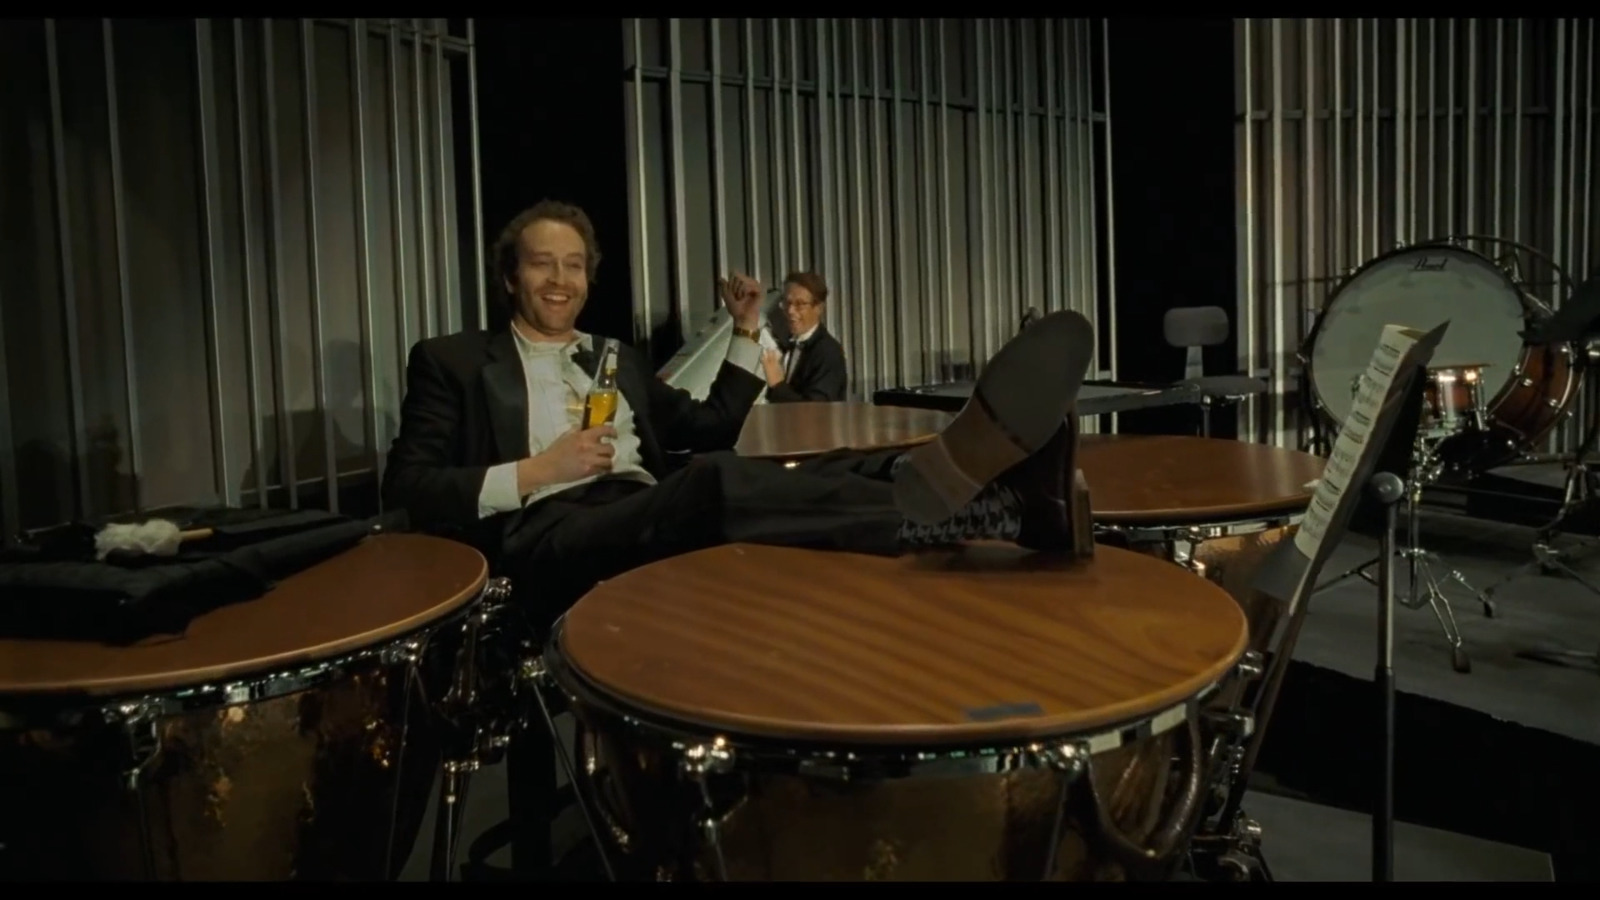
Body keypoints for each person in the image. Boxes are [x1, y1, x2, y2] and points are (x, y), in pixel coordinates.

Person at [382, 199, 1097, 617]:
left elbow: (707, 424)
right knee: (717, 481)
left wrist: (748, 331)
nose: (560, 278)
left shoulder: (613, 357)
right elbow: (409, 487)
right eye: (542, 263)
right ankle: (975, 514)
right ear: (512, 276)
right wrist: (535, 470)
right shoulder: (452, 360)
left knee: (824, 463)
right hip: (545, 535)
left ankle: (992, 487)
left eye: (573, 265)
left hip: (641, 508)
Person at [758, 271, 848, 403]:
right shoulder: (793, 345)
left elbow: (817, 411)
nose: (790, 311)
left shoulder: (828, 352)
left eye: (800, 304)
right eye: (787, 303)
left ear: (818, 308)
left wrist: (777, 385)